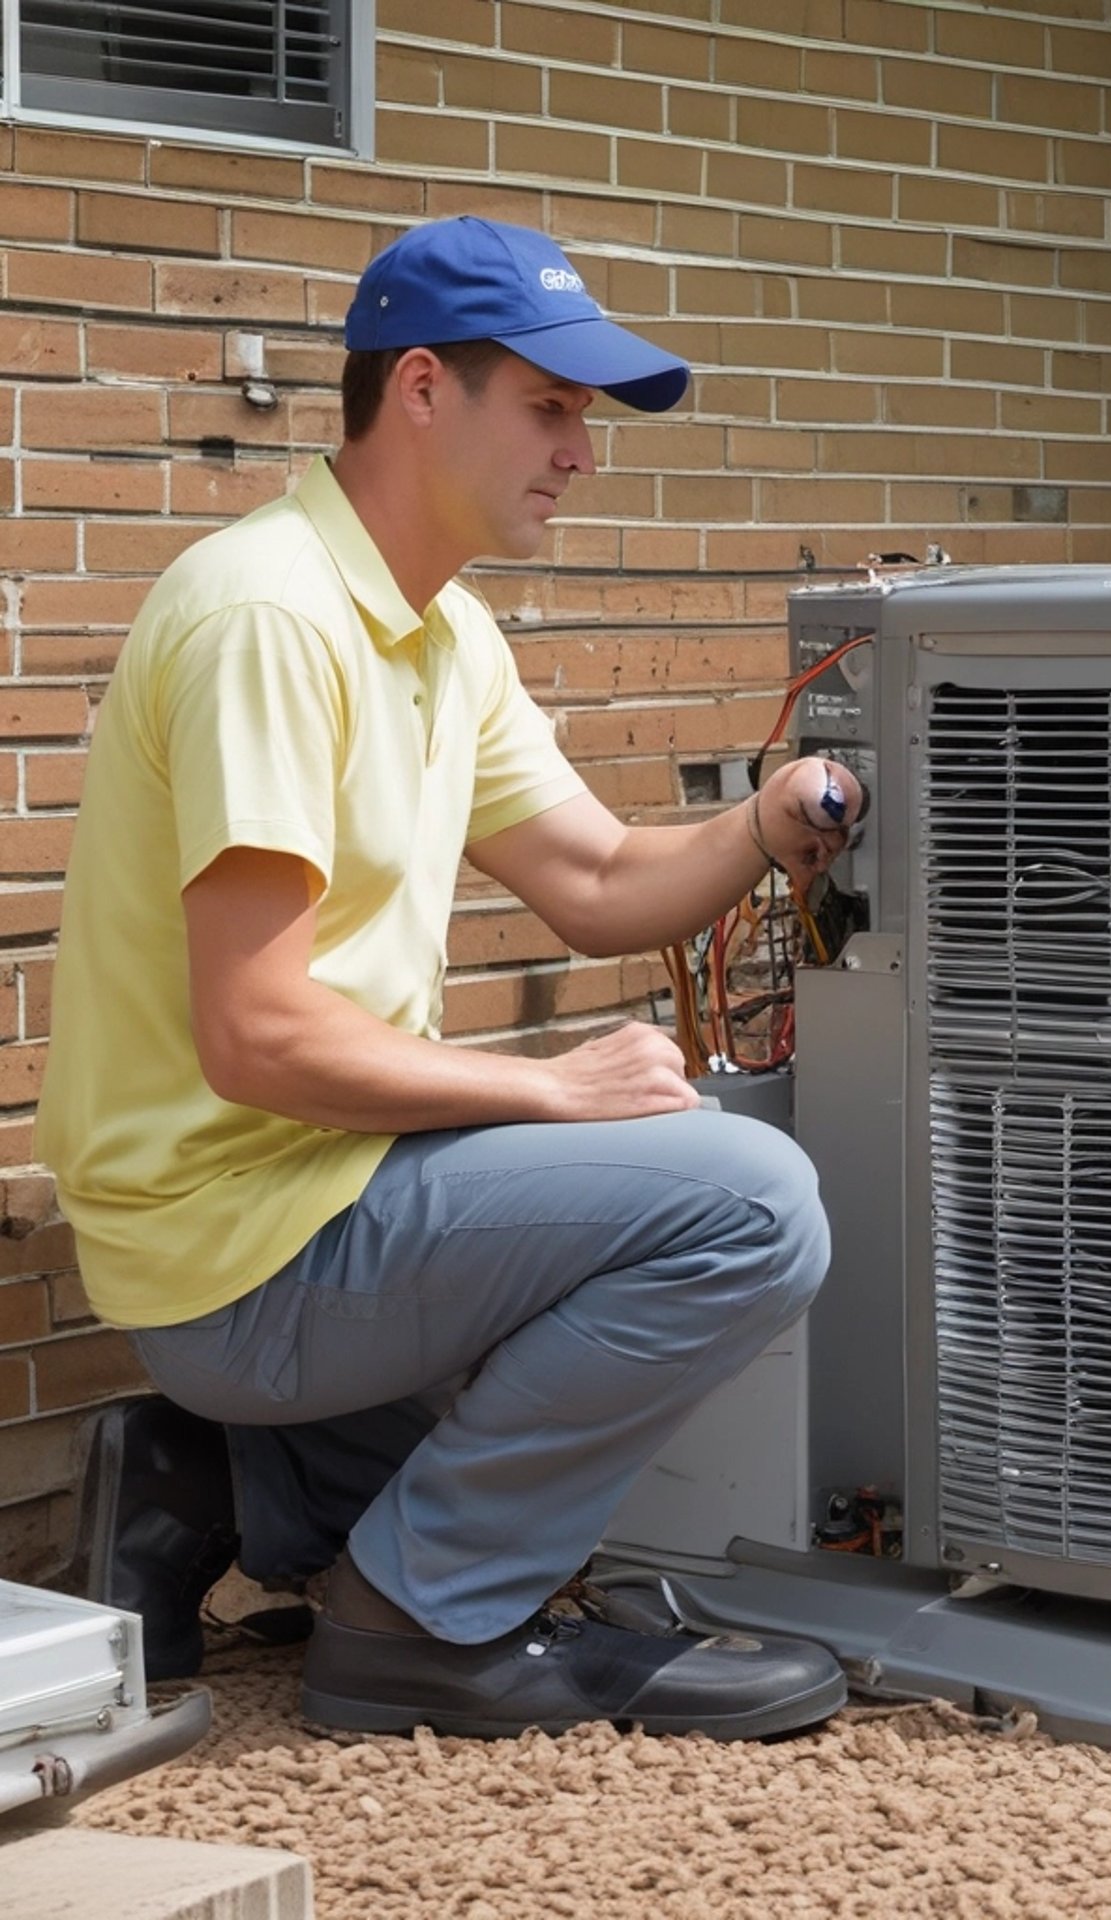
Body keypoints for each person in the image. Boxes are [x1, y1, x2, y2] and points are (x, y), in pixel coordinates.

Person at [38, 216, 864, 1741]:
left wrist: (765, 823)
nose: (581, 453)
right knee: (753, 1206)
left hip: (325, 1187)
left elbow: (597, 880)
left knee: (637, 1194)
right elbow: (254, 1033)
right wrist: (546, 1091)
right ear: (422, 388)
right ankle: (420, 1627)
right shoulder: (271, 618)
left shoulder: (438, 632)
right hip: (242, 1243)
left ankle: (212, 1474)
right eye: (550, 407)